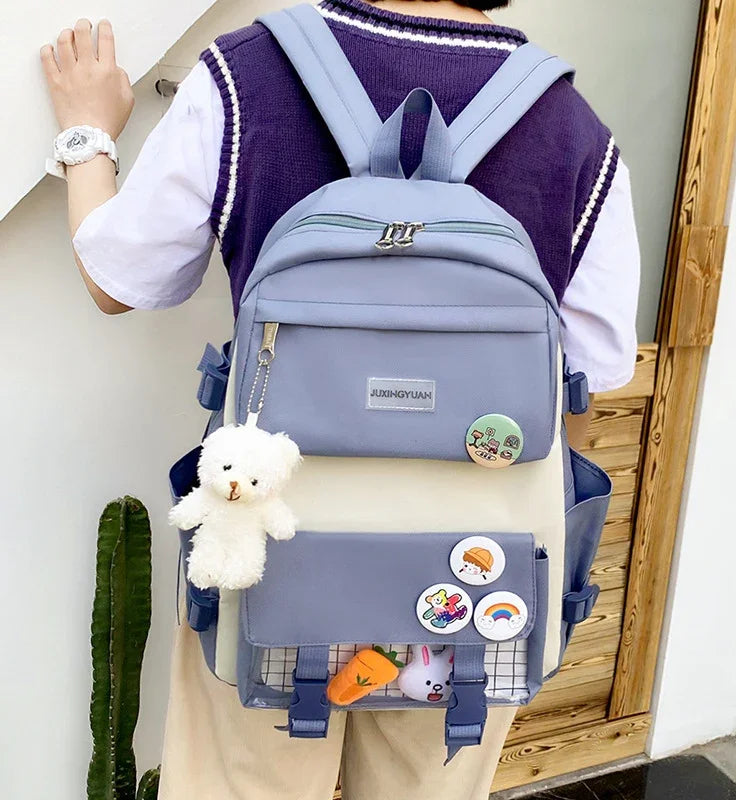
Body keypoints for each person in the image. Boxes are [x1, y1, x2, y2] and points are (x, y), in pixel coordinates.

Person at [41, 1, 640, 798]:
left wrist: (88, 135)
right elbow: (582, 386)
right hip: (470, 586)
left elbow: (116, 282)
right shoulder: (576, 133)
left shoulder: (243, 78)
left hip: (264, 553)